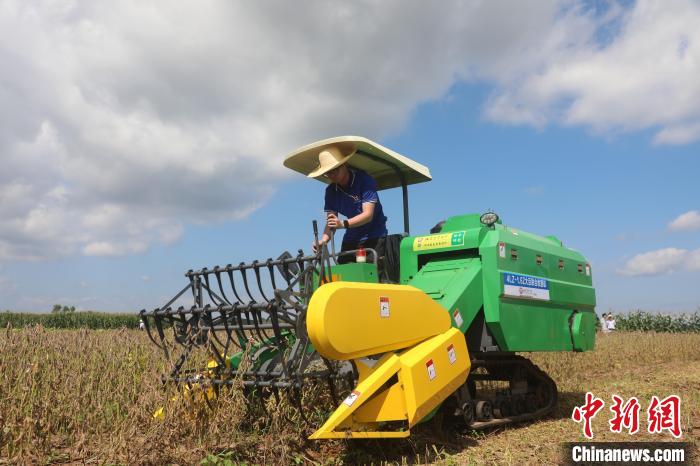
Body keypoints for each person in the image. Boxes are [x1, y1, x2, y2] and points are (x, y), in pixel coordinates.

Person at [309, 145, 388, 270]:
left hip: (374, 237)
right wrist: (323, 241)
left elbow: (368, 215)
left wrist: (343, 223)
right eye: (327, 172)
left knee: (371, 277)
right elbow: (332, 222)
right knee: (343, 274)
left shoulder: (364, 180)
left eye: (334, 169)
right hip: (351, 238)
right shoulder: (330, 191)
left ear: (344, 164)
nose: (331, 175)